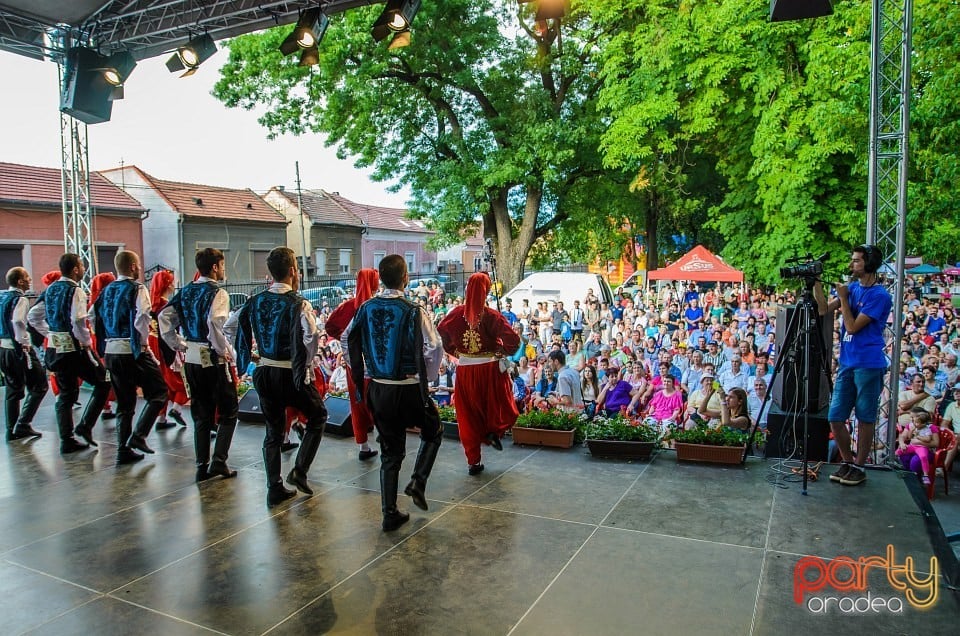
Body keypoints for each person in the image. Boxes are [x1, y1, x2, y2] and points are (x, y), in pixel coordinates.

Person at [348, 254, 443, 531]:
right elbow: (434, 346)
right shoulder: (414, 310)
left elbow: (347, 338)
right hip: (409, 388)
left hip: (379, 389)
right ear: (406, 278)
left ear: (380, 279)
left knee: (390, 452)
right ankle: (418, 481)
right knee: (434, 430)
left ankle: (389, 512)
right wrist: (427, 375)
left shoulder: (365, 308)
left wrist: (365, 370)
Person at [232, 248, 327, 505]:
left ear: (271, 273)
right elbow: (312, 337)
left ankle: (274, 486)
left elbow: (230, 326)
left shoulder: (254, 301)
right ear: (293, 271)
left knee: (272, 431)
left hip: (263, 370)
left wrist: (249, 353)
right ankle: (299, 470)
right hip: (289, 371)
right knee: (318, 415)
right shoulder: (299, 303)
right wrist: (304, 365)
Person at [814, 244, 893, 486]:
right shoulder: (853, 288)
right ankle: (847, 461)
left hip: (868, 364)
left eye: (856, 261)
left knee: (865, 417)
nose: (851, 265)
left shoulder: (880, 296)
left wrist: (845, 300)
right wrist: (815, 281)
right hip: (848, 363)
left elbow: (852, 327)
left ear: (869, 264)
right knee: (835, 417)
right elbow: (823, 309)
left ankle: (859, 465)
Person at [159, 248, 238, 482]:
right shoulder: (218, 293)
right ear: (215, 267)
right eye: (222, 265)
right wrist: (225, 351)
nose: (223, 270)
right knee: (228, 411)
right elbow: (215, 323)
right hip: (212, 359)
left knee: (201, 414)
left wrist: (179, 344)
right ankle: (219, 461)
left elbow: (165, 318)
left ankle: (201, 464)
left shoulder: (185, 292)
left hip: (192, 358)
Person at [438, 272, 520, 476]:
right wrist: (503, 350)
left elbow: (441, 330)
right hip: (490, 370)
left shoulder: (455, 314)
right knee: (495, 406)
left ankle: (473, 461)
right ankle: (492, 432)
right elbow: (513, 340)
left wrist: (455, 351)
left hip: (465, 371)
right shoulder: (492, 316)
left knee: (468, 414)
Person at [27, 253, 111, 454]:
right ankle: (85, 425)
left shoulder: (50, 289)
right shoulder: (76, 291)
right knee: (103, 381)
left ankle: (67, 439)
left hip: (56, 348)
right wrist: (86, 343)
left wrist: (52, 333)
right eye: (82, 265)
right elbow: (78, 320)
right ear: (75, 268)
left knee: (66, 393)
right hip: (75, 348)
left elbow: (33, 316)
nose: (83, 269)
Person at [92, 251, 168, 465]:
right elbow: (142, 317)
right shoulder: (137, 288)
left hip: (111, 350)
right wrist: (142, 344)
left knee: (124, 403)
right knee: (159, 392)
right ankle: (139, 435)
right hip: (131, 349)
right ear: (133, 266)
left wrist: (105, 337)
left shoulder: (106, 291)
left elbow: (92, 315)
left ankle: (123, 450)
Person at [323, 268, 381, 461]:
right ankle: (382, 433)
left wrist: (344, 340)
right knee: (378, 400)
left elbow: (330, 325)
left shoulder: (347, 306)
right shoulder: (378, 306)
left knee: (357, 402)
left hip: (352, 362)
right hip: (375, 363)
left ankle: (363, 445)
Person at [1, 267, 46, 441]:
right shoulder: (20, 299)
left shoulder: (2, 296)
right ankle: (23, 424)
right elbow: (18, 320)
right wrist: (24, 342)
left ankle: (11, 429)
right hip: (17, 348)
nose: (29, 280)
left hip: (3, 349)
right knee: (40, 384)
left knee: (13, 389)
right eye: (27, 277)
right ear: (20, 281)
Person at [148, 270, 189, 430]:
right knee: (180, 381)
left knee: (162, 383)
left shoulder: (151, 306)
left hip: (153, 346)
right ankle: (176, 409)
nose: (173, 284)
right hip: (166, 346)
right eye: (172, 281)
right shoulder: (167, 307)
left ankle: (161, 417)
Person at [895, 408, 939, 485]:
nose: (911, 419)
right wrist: (902, 443)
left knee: (915, 461)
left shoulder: (931, 427)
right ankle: (907, 477)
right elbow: (903, 436)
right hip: (913, 448)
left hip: (926, 450)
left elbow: (936, 443)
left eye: (913, 417)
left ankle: (915, 481)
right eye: (911, 417)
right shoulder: (911, 425)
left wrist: (920, 442)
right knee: (903, 456)